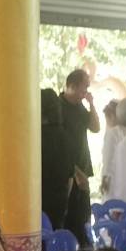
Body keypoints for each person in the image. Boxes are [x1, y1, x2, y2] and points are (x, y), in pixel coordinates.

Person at [58, 69, 100, 247]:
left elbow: (95, 128)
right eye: (84, 88)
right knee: (69, 217)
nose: (85, 92)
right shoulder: (59, 106)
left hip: (83, 168)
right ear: (72, 86)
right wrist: (73, 170)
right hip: (67, 171)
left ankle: (84, 249)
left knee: (83, 216)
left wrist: (91, 104)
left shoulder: (80, 107)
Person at [40, 88, 74, 228]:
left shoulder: (33, 136)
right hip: (59, 200)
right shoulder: (64, 135)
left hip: (37, 200)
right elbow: (70, 176)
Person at [98, 98, 123, 196]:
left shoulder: (112, 133)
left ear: (112, 116)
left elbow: (108, 158)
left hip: (112, 178)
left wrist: (104, 178)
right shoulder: (125, 131)